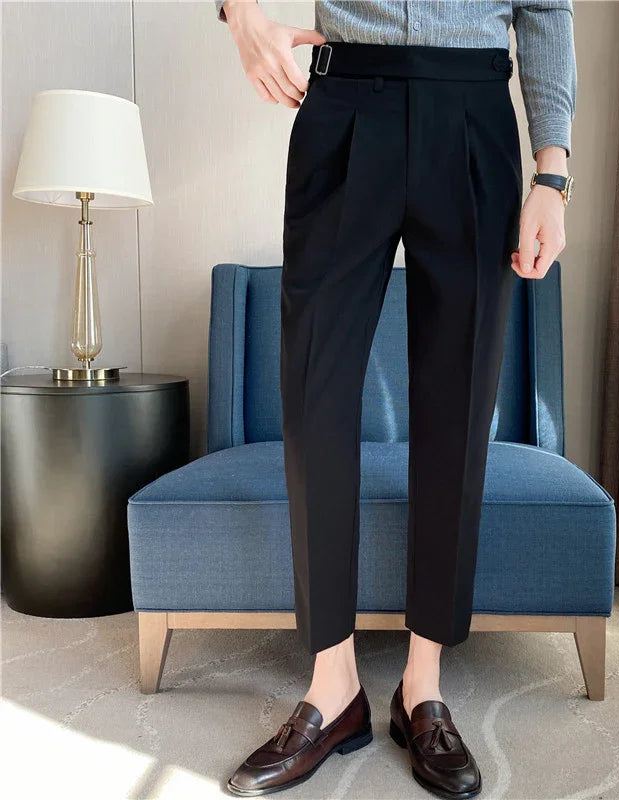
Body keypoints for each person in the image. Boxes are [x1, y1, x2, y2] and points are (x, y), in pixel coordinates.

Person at [215, 1, 576, 796]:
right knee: (315, 394)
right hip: (344, 104)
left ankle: (424, 686)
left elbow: (546, 8)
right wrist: (239, 13)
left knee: (459, 405)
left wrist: (551, 170)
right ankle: (332, 688)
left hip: (475, 110)